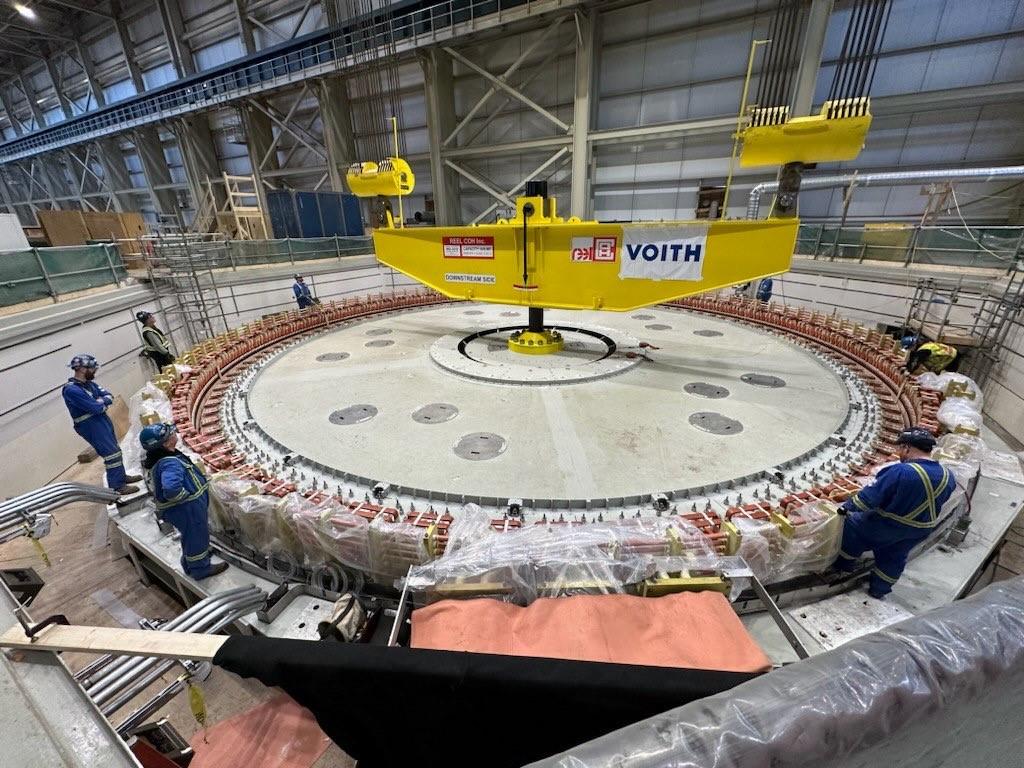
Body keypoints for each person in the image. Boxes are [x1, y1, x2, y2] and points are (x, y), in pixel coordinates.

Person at [833, 427, 956, 598]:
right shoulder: (947, 475)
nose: (899, 453)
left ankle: (843, 567)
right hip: (920, 530)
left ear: (907, 448)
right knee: (894, 557)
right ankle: (879, 590)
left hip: (887, 526)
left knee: (853, 528)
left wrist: (846, 507)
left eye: (900, 448)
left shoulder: (901, 471)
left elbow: (869, 497)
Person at [140, 423, 228, 580]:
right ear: (165, 443)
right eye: (171, 434)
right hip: (186, 509)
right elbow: (171, 488)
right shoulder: (169, 462)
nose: (175, 434)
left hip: (184, 510)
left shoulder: (163, 458)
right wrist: (186, 499)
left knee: (189, 536)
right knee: (197, 537)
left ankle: (189, 563)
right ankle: (201, 569)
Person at [62, 354, 141, 496]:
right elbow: (96, 408)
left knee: (115, 450)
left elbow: (109, 396)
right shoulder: (72, 390)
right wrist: (100, 403)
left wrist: (101, 402)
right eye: (92, 369)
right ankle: (117, 486)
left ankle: (121, 477)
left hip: (100, 420)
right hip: (90, 425)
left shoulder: (88, 384)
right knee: (110, 454)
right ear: (80, 369)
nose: (95, 371)